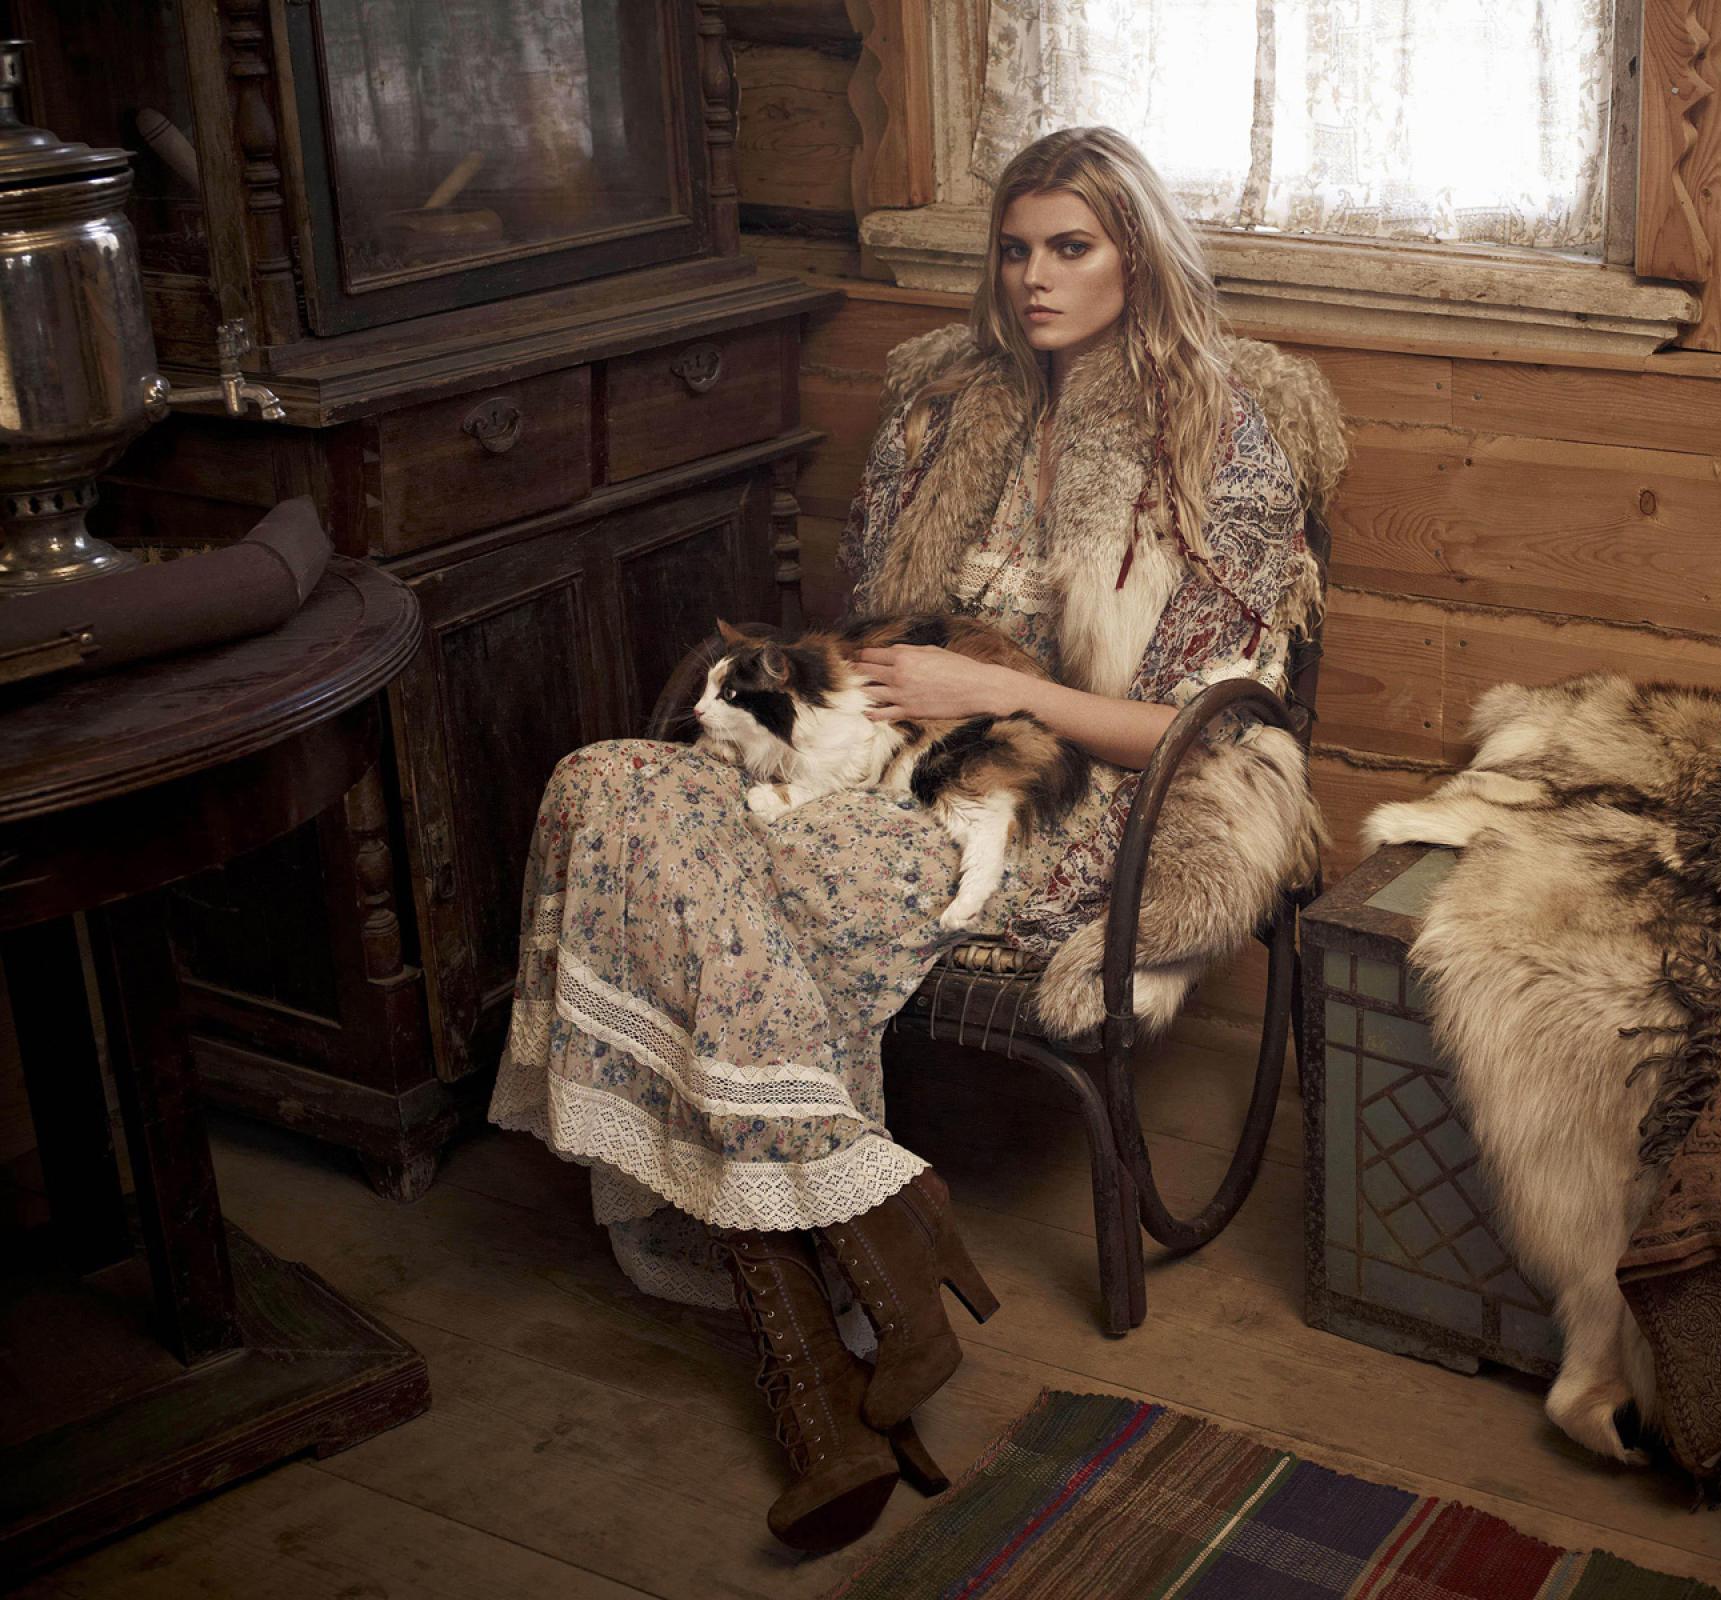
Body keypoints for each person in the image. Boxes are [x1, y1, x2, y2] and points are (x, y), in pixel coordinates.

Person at [487, 125, 1343, 1552]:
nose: (1032, 277)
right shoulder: (942, 410)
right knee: (605, 788)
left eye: (1069, 247)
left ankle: (810, 1366)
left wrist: (994, 691)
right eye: (1013, 250)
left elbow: (1205, 728)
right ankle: (878, 1240)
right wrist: (845, 712)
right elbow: (862, 633)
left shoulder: (1220, 438)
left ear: (1136, 257)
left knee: (720, 890)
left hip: (1044, 793)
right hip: (867, 753)